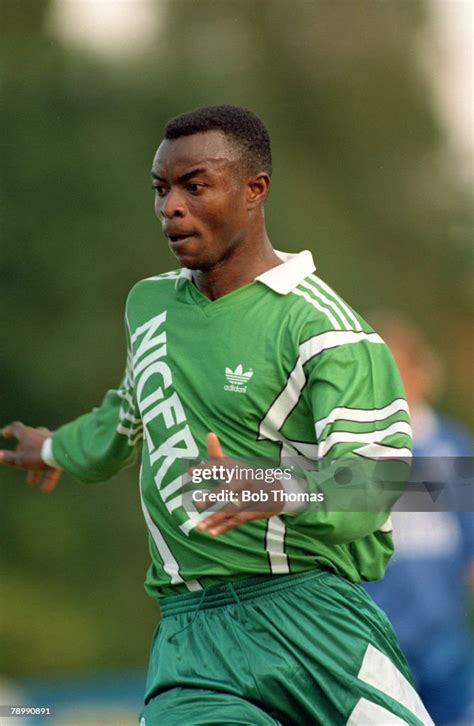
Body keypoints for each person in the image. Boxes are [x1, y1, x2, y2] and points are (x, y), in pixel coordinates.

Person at [0, 105, 432, 725]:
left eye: (194, 186)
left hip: (312, 627)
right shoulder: (148, 306)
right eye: (161, 189)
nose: (170, 206)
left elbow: (380, 485)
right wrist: (53, 448)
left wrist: (277, 487)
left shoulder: (327, 331)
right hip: (190, 642)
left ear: (254, 190)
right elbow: (127, 417)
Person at [364, 313, 474, 726]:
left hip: (442, 636)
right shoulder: (356, 448)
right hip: (374, 636)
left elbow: (470, 544)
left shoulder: (449, 445)